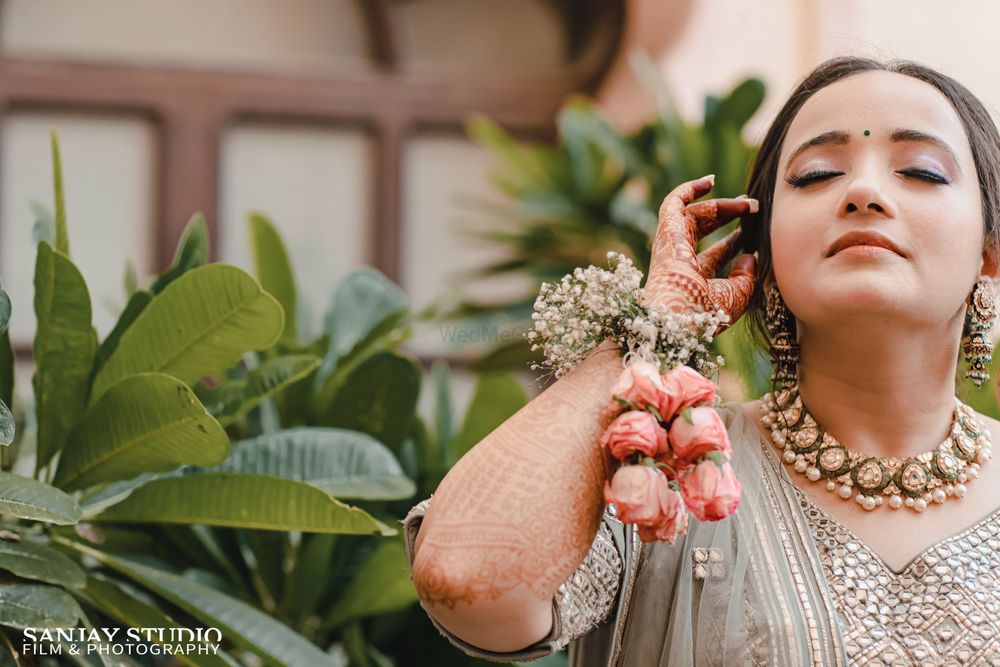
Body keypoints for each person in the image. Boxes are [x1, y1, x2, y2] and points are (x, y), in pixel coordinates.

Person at [404, 54, 1000, 666]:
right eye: (817, 173)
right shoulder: (654, 472)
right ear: (761, 252)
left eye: (923, 171)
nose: (864, 192)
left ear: (990, 255)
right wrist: (654, 323)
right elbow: (466, 581)